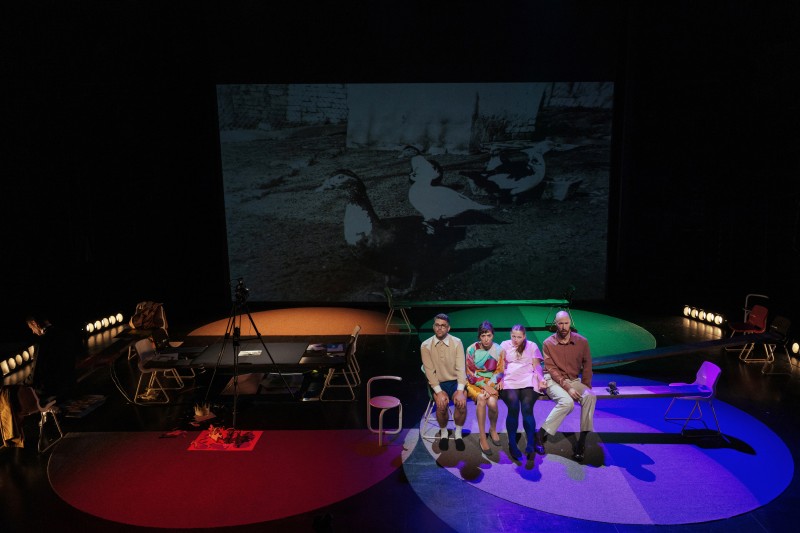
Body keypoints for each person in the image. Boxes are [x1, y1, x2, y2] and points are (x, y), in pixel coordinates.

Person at [537, 310, 595, 463]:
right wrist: (567, 387)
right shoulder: (548, 343)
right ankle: (540, 434)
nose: (563, 327)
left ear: (570, 323)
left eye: (566, 323)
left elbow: (587, 364)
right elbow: (551, 369)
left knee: (590, 397)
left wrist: (586, 386)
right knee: (567, 402)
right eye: (560, 323)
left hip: (574, 380)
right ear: (555, 324)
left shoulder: (582, 341)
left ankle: (581, 442)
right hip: (553, 380)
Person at [499, 324, 547, 461]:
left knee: (527, 407)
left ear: (524, 336)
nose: (515, 339)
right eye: (513, 336)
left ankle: (531, 442)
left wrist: (541, 379)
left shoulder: (531, 346)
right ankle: (512, 444)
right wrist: (500, 378)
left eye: (519, 337)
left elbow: (537, 366)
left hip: (527, 378)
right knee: (513, 406)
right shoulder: (504, 345)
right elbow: (500, 365)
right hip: (509, 379)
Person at [421, 313, 467, 451]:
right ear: (433, 326)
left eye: (443, 326)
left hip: (455, 381)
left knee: (461, 404)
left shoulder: (457, 342)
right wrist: (439, 392)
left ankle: (458, 434)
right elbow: (429, 372)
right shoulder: (426, 345)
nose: (440, 328)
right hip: (439, 383)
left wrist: (460, 390)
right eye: (437, 325)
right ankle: (444, 433)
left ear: (448, 328)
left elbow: (461, 368)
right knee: (441, 405)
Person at [465, 321, 505, 455]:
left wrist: (489, 386)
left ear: (493, 335)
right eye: (483, 336)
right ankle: (482, 437)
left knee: (492, 403)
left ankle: (493, 429)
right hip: (474, 382)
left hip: (491, 382)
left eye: (489, 335)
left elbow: (499, 372)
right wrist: (483, 386)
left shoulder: (499, 350)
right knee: (482, 399)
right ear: (479, 337)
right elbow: (469, 373)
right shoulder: (471, 349)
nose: (486, 339)